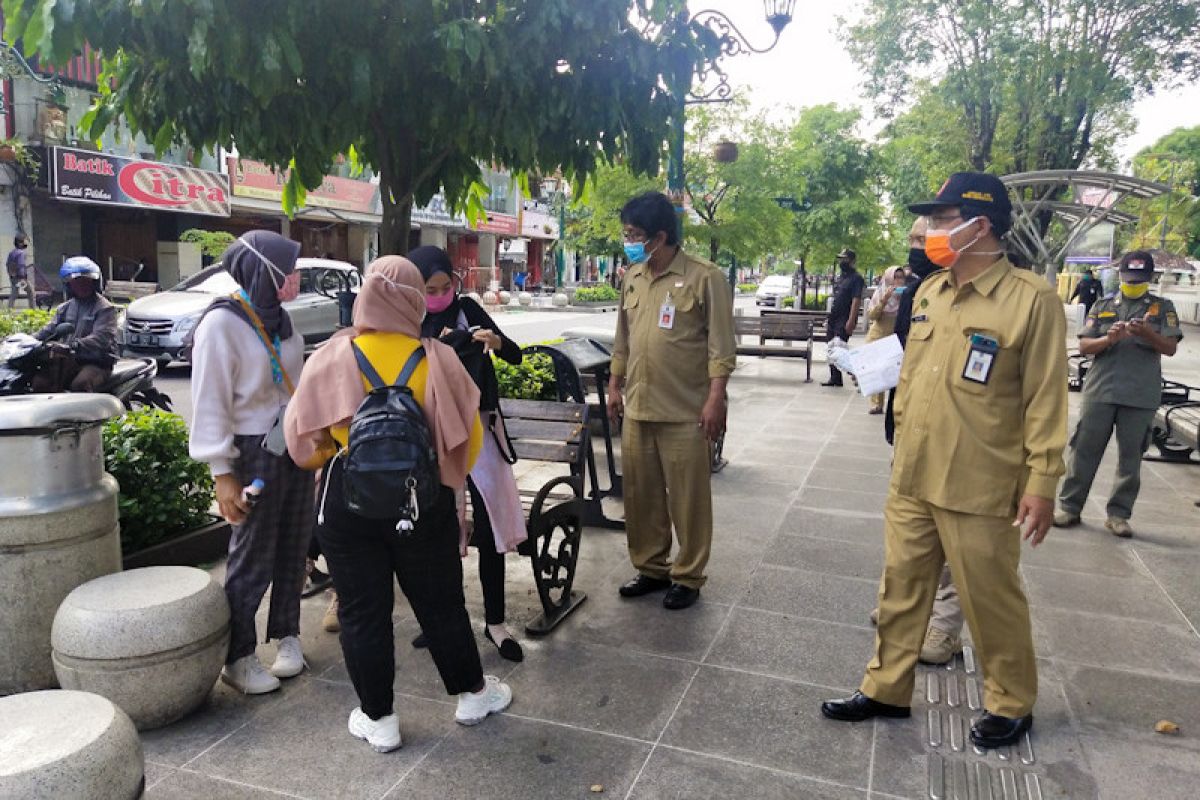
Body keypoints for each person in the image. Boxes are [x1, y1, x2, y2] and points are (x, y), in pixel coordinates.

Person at [821, 172, 1068, 750]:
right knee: (901, 590)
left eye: (941, 219)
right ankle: (886, 688)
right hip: (913, 474)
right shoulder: (929, 292)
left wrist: (1042, 483)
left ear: (980, 225)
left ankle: (1010, 701)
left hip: (982, 481)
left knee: (990, 597)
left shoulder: (1031, 301)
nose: (930, 231)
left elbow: (1046, 401)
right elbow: (911, 382)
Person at [285, 256, 511, 753]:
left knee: (364, 613)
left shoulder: (331, 355)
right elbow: (467, 447)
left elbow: (304, 447)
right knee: (442, 605)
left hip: (349, 504)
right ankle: (473, 697)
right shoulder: (440, 359)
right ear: (413, 300)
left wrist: (343, 451)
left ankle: (379, 720)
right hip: (421, 503)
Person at [188, 231, 312, 695]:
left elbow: (294, 384)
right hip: (251, 449)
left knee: (294, 543)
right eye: (289, 270)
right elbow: (209, 402)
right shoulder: (221, 325)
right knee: (252, 554)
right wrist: (222, 472)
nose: (295, 278)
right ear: (265, 272)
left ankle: (287, 634)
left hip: (290, 443)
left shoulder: (282, 322)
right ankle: (237, 655)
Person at [608, 191, 737, 611]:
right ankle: (650, 566)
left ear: (659, 236)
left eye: (635, 234)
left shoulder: (705, 277)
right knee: (641, 496)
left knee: (688, 498)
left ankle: (688, 575)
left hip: (685, 410)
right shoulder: (633, 276)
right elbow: (623, 339)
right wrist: (614, 385)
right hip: (638, 407)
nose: (629, 240)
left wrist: (715, 398)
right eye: (627, 232)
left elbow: (721, 345)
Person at [408, 244, 528, 662]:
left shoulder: (468, 310)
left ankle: (496, 620)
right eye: (430, 288)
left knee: (490, 524)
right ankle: (445, 618)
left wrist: (495, 340)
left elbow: (513, 354)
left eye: (446, 286)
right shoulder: (407, 317)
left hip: (479, 430)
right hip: (434, 434)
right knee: (438, 529)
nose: (440, 294)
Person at [1054, 251, 1182, 538]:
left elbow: (1170, 347)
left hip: (1140, 393)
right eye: (1129, 277)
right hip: (1101, 389)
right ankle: (1070, 507)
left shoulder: (1163, 308)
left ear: (1149, 278)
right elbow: (1085, 346)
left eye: (1139, 278)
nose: (1133, 282)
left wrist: (1149, 334)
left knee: (1131, 457)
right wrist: (1108, 338)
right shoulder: (1103, 304)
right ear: (1121, 275)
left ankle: (1118, 515)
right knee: (1083, 451)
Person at [31, 257, 118, 393]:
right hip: (69, 360)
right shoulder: (64, 308)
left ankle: (92, 414)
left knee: (80, 385)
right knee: (40, 382)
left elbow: (102, 337)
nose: (82, 285)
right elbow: (49, 330)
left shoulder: (105, 308)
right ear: (69, 285)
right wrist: (26, 341)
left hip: (96, 363)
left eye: (86, 281)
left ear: (94, 283)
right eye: (77, 282)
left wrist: (76, 344)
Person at [863, 266, 906, 414]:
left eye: (901, 277)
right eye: (896, 277)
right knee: (878, 371)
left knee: (895, 372)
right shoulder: (880, 292)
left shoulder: (906, 295)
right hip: (879, 335)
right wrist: (885, 299)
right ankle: (876, 403)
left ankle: (896, 404)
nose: (899, 280)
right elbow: (872, 315)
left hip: (896, 336)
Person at [822, 248, 865, 387]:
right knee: (831, 346)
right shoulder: (841, 277)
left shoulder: (856, 278)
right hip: (834, 317)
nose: (842, 261)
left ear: (852, 261)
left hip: (845, 317)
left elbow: (856, 300)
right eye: (840, 259)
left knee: (840, 347)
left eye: (844, 259)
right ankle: (835, 377)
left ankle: (855, 373)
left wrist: (851, 320)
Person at [6, 235, 37, 310]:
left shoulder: (12, 252)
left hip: (13, 277)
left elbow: (7, 264)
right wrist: (23, 277)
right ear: (20, 243)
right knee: (31, 292)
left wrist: (11, 274)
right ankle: (33, 310)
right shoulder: (21, 253)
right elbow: (21, 265)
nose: (26, 242)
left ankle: (9, 310)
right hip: (20, 278)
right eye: (24, 241)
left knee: (14, 294)